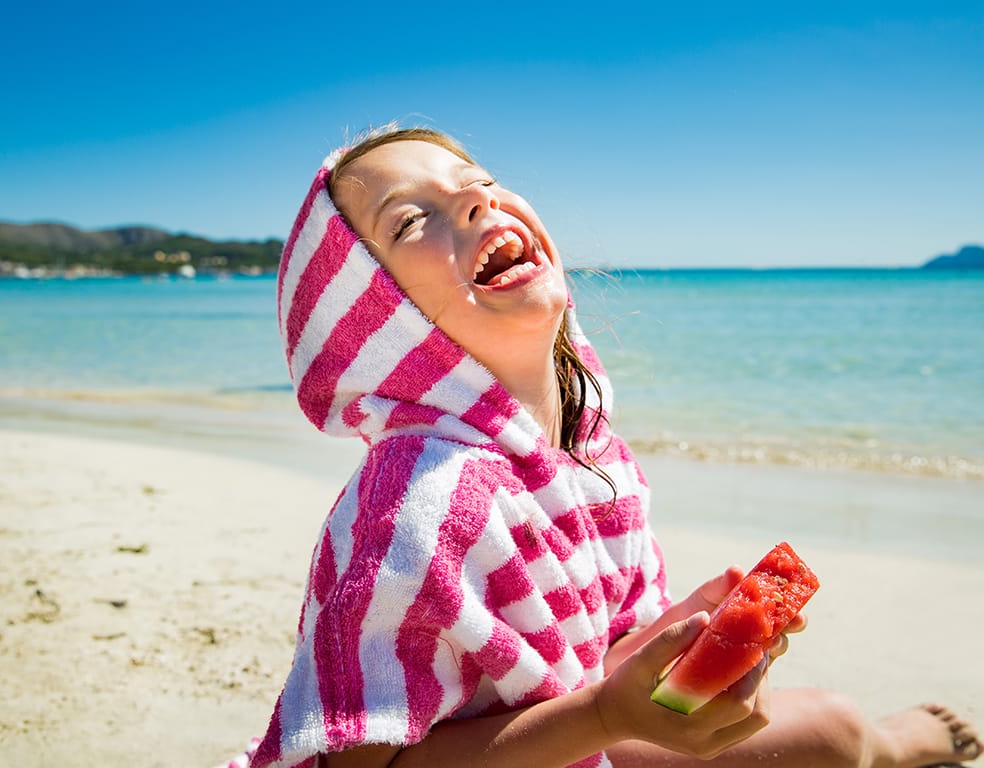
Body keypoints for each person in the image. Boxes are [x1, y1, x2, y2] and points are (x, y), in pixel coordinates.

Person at [227, 126, 981, 768]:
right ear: (380, 316)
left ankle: (878, 745)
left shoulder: (594, 457)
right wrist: (602, 719)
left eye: (476, 181)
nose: (472, 199)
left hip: (579, 740)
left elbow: (606, 656)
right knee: (832, 734)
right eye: (408, 221)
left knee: (829, 726)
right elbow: (358, 764)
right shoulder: (417, 503)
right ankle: (890, 746)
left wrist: (684, 638)